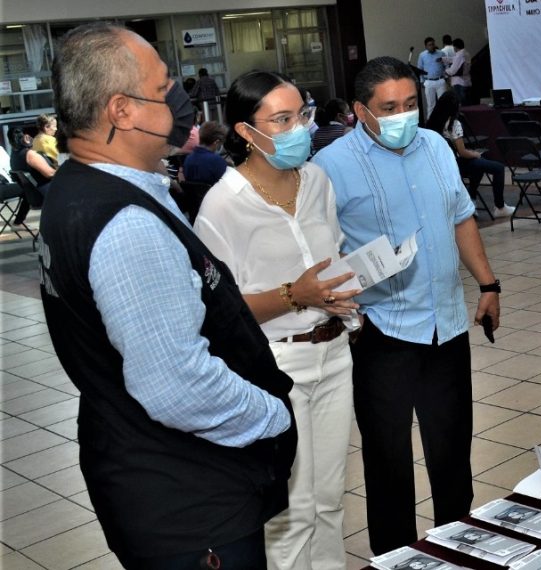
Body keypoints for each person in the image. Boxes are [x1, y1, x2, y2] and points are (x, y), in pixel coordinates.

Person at [38, 22, 296, 568]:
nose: (178, 98)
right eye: (161, 89)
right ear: (121, 110)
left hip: (147, 473)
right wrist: (273, 414)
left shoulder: (78, 188)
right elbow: (176, 386)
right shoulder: (126, 223)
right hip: (188, 499)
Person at [312, 55, 501, 556]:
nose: (402, 115)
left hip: (446, 323)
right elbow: (318, 253)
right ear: (360, 111)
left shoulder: (437, 146)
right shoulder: (329, 168)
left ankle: (458, 549)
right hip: (381, 331)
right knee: (388, 461)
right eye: (388, 107)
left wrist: (488, 284)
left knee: (452, 453)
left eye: (411, 104)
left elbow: (462, 218)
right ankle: (397, 560)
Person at [193, 70, 359, 570]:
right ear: (247, 132)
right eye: (281, 120)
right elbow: (221, 311)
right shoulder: (223, 206)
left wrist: (339, 295)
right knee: (293, 510)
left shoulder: (317, 182)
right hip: (275, 365)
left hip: (334, 353)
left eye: (302, 115)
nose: (300, 130)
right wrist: (295, 295)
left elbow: (330, 257)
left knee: (330, 498)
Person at [426, 91, 515, 218]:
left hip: (441, 166)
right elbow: (462, 152)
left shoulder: (431, 122)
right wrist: (475, 154)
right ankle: (500, 207)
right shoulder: (454, 124)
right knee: (498, 167)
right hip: (456, 165)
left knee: (478, 166)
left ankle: (471, 198)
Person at [8, 125, 55, 193]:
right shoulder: (30, 154)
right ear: (26, 138)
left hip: (35, 193)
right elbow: (50, 174)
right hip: (49, 191)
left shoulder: (14, 155)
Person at [181, 120, 228, 186]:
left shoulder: (188, 158)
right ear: (216, 142)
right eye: (221, 142)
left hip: (192, 195)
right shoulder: (217, 161)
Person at [417, 37, 448, 118]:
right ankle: (431, 125)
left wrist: (446, 77)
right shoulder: (422, 55)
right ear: (426, 46)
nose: (432, 46)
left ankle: (444, 122)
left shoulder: (441, 53)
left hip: (440, 80)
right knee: (431, 104)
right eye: (429, 45)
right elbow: (419, 69)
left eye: (433, 44)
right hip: (429, 81)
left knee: (443, 103)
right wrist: (422, 81)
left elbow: (446, 65)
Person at [444, 38, 472, 105]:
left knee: (460, 103)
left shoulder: (459, 55)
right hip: (466, 80)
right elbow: (454, 59)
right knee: (467, 102)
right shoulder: (466, 53)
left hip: (459, 82)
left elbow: (453, 70)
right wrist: (443, 59)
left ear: (455, 47)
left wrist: (446, 72)